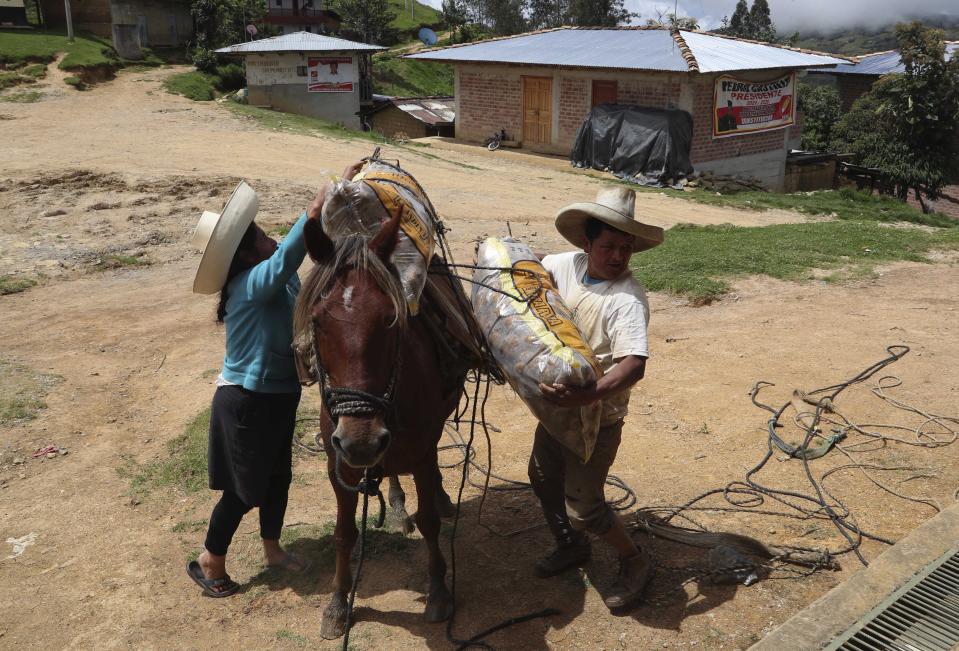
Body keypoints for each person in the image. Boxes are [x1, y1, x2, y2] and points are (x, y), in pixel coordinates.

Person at [186, 163, 362, 597]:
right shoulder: (253, 284)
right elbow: (288, 256)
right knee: (244, 490)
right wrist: (318, 204)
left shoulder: (272, 284)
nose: (273, 239)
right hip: (246, 402)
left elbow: (293, 266)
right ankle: (211, 560)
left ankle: (273, 549)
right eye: (264, 238)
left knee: (277, 478)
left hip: (276, 397)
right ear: (246, 254)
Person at [528, 185, 664, 611]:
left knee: (585, 506)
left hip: (597, 418)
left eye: (626, 248)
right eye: (608, 246)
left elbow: (633, 365)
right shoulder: (563, 265)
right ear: (586, 244)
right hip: (556, 411)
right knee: (542, 476)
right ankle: (571, 547)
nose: (619, 257)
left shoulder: (627, 299)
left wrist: (585, 399)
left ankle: (635, 560)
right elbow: (529, 272)